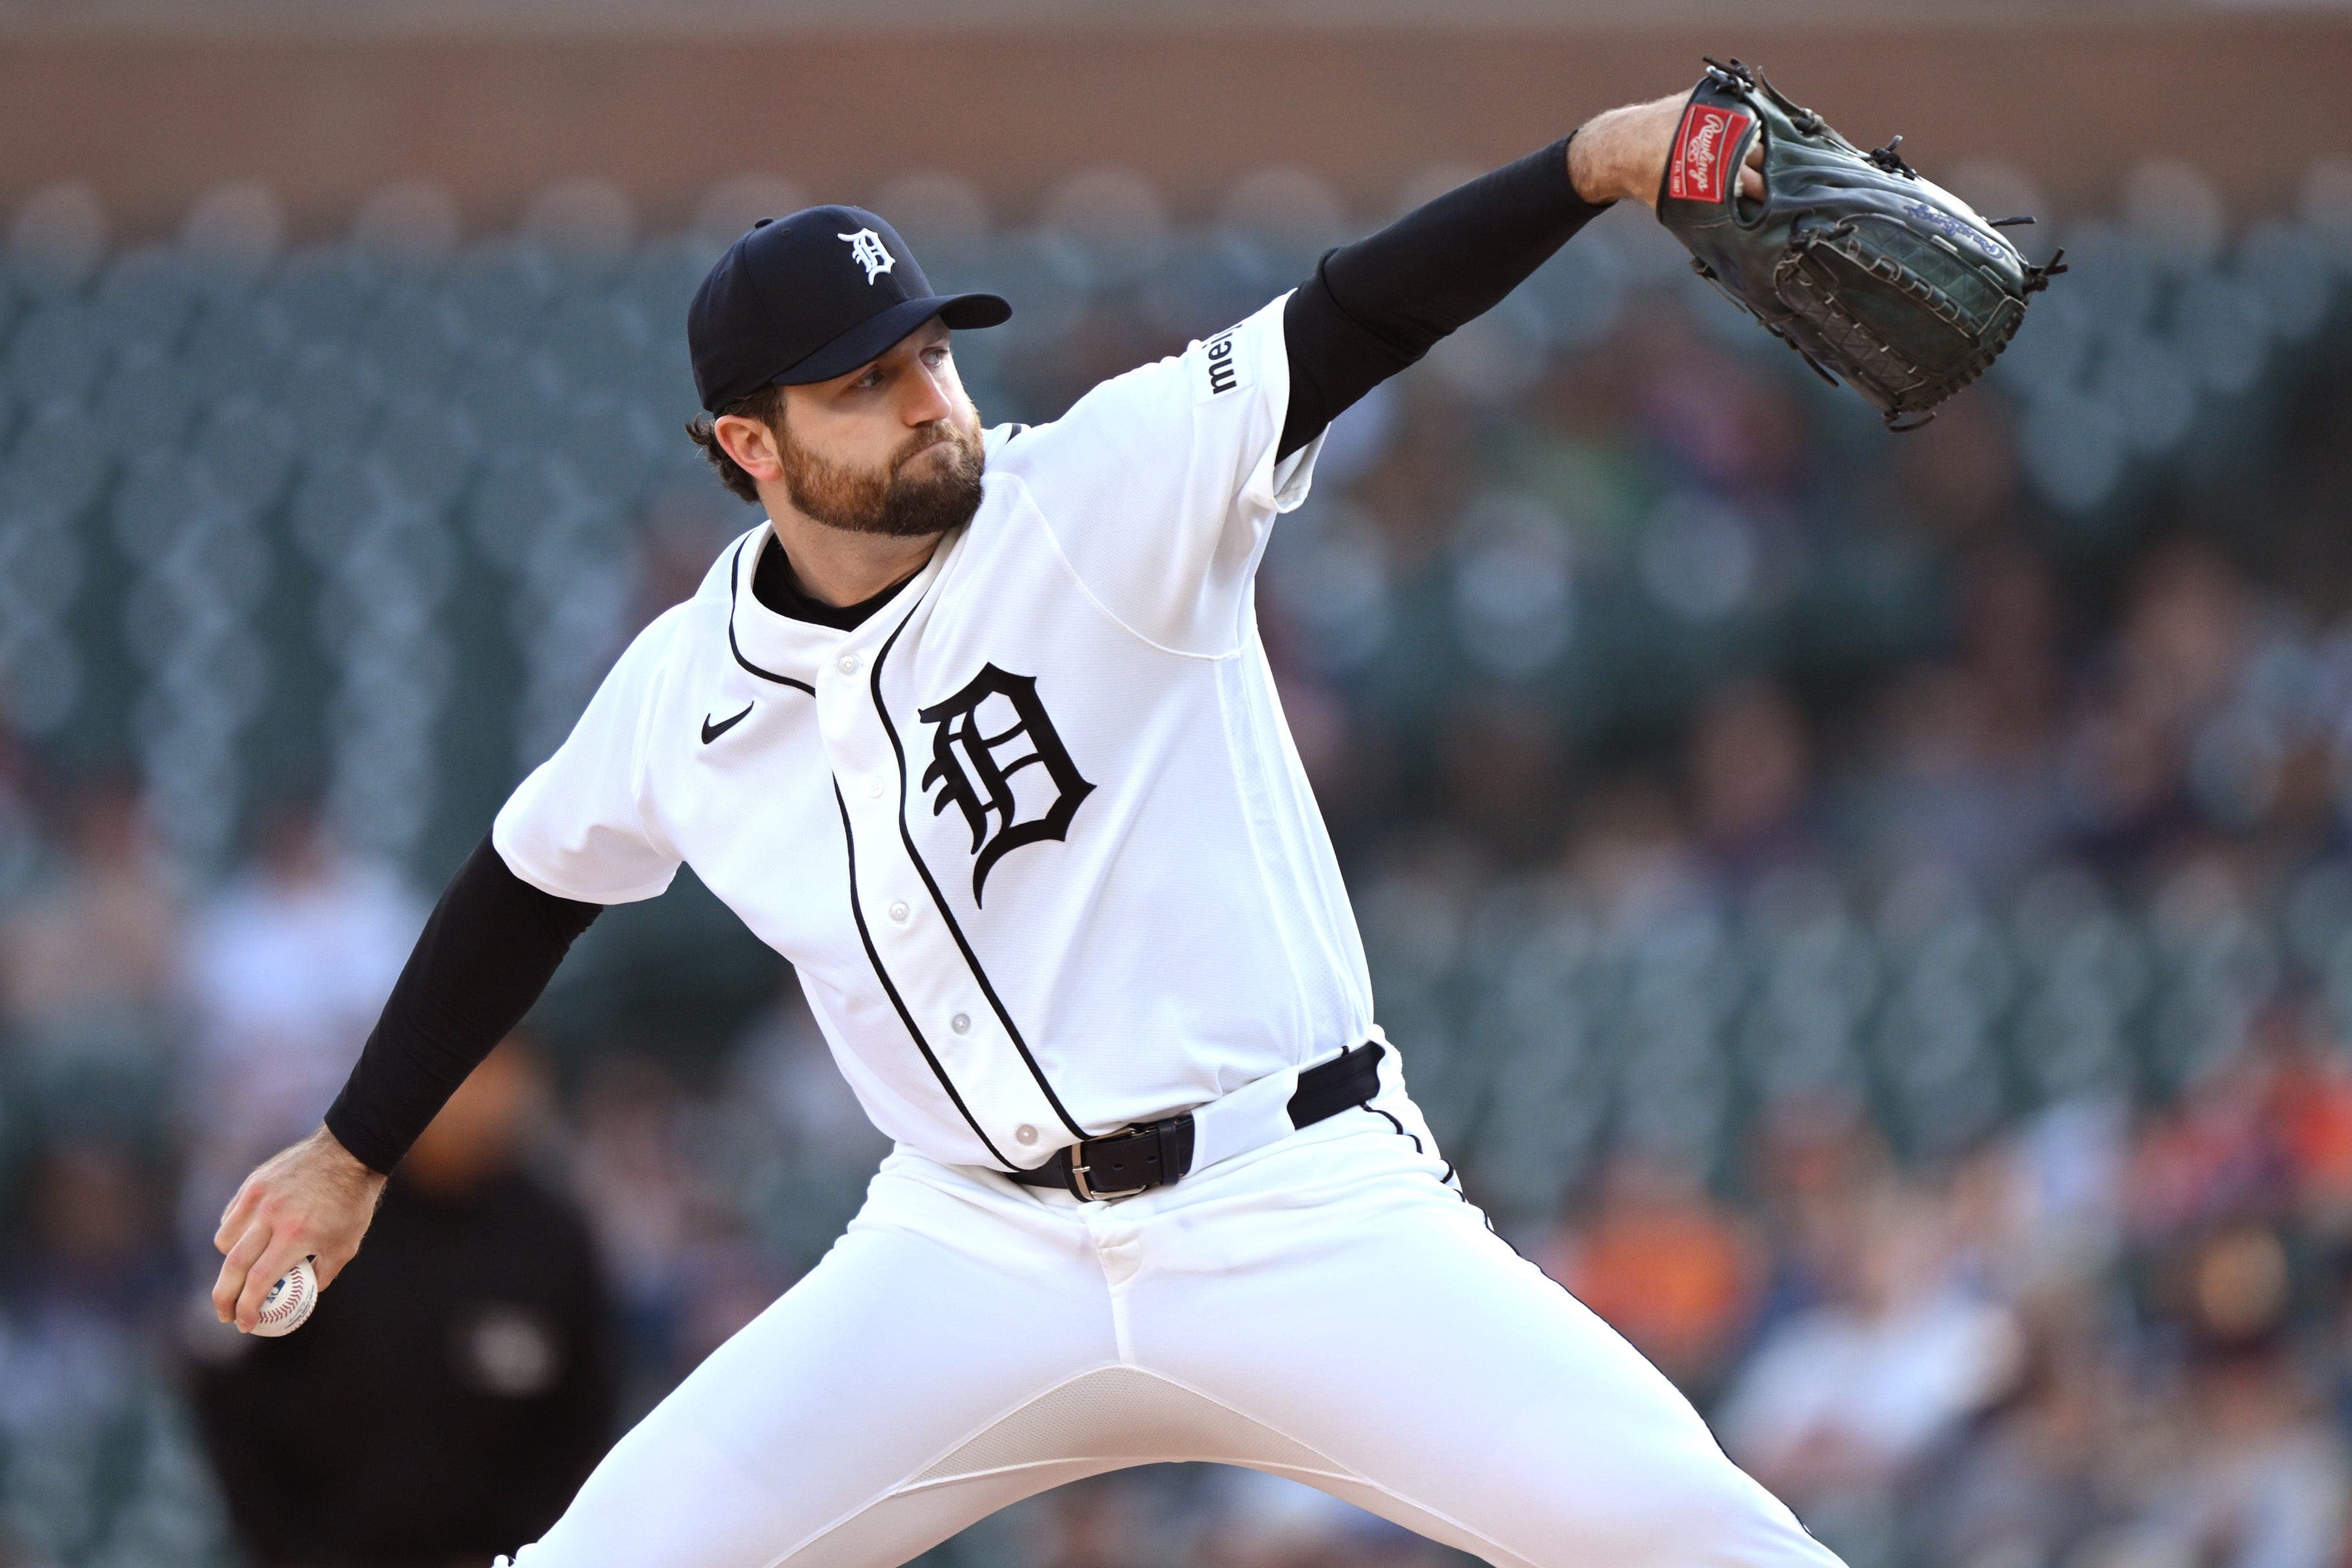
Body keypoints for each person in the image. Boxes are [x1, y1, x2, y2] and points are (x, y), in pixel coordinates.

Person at [209, 89, 1819, 1568]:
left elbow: (1353, 314)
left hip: (1295, 1201)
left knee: (1702, 1540)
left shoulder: (1100, 489)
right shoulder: (682, 684)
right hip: (971, 1248)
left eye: (932, 353)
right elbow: (522, 885)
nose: (928, 400)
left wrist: (1597, 164)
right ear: (749, 447)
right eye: (866, 381)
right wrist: (353, 1150)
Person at [193, 1041, 617, 1568]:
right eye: (469, 1068)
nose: (481, 1098)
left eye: (502, 1073)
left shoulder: (554, 1238)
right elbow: (229, 1398)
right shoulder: (320, 1219)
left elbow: (586, 1424)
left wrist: (524, 1554)